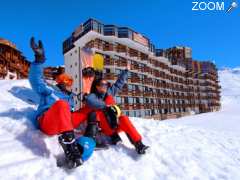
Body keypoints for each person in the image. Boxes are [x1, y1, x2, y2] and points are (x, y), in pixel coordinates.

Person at [28, 37, 95, 169]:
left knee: (90, 108)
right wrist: (39, 59)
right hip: (48, 122)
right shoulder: (48, 90)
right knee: (62, 105)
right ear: (59, 81)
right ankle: (70, 147)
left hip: (66, 122)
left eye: (70, 81)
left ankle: (92, 135)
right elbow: (35, 80)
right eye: (65, 80)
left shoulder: (70, 97)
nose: (67, 83)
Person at [84, 64, 149, 154]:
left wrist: (126, 71)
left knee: (124, 118)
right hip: (106, 127)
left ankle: (138, 144)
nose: (105, 86)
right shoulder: (93, 96)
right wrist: (106, 106)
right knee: (101, 107)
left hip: (116, 123)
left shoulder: (109, 92)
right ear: (97, 86)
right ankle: (114, 136)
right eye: (102, 84)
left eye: (106, 84)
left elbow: (119, 83)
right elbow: (89, 100)